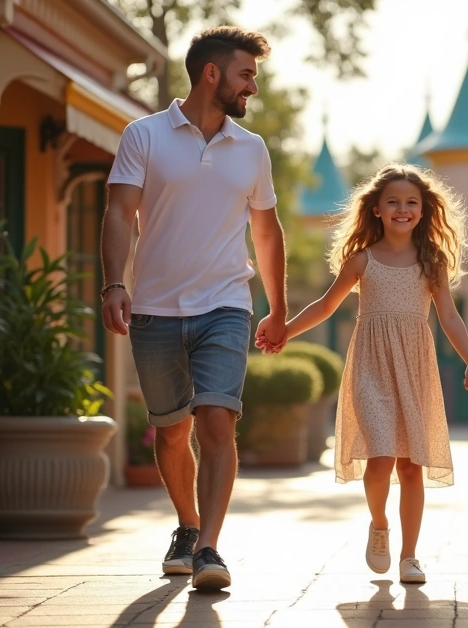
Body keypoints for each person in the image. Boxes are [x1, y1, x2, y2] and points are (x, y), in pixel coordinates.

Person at [102, 26, 287, 591]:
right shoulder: (145, 135)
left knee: (216, 419)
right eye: (245, 74)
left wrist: (277, 308)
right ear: (213, 74)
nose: (252, 86)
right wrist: (114, 283)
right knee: (170, 431)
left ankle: (208, 547)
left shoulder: (251, 149)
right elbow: (118, 213)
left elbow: (267, 230)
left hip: (226, 305)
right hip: (155, 308)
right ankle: (187, 525)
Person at [264, 164, 468, 584]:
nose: (403, 209)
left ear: (423, 210)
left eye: (411, 202)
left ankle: (410, 556)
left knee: (412, 465)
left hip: (415, 368)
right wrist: (285, 331)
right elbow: (326, 305)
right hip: (371, 366)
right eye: (394, 202)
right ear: (377, 209)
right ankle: (379, 525)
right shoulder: (361, 260)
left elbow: (450, 317)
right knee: (379, 458)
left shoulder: (431, 262)